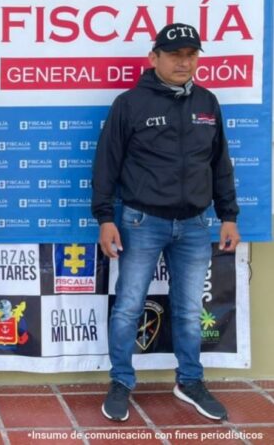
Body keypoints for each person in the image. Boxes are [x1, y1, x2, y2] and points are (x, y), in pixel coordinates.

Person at [91, 22, 241, 422]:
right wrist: (105, 218)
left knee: (190, 310)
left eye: (191, 55)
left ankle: (189, 380)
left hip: (195, 224)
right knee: (128, 307)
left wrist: (228, 215)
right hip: (142, 221)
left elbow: (220, 164)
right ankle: (121, 381)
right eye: (175, 55)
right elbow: (106, 165)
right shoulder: (129, 104)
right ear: (154, 58)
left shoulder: (208, 102)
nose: (184, 62)